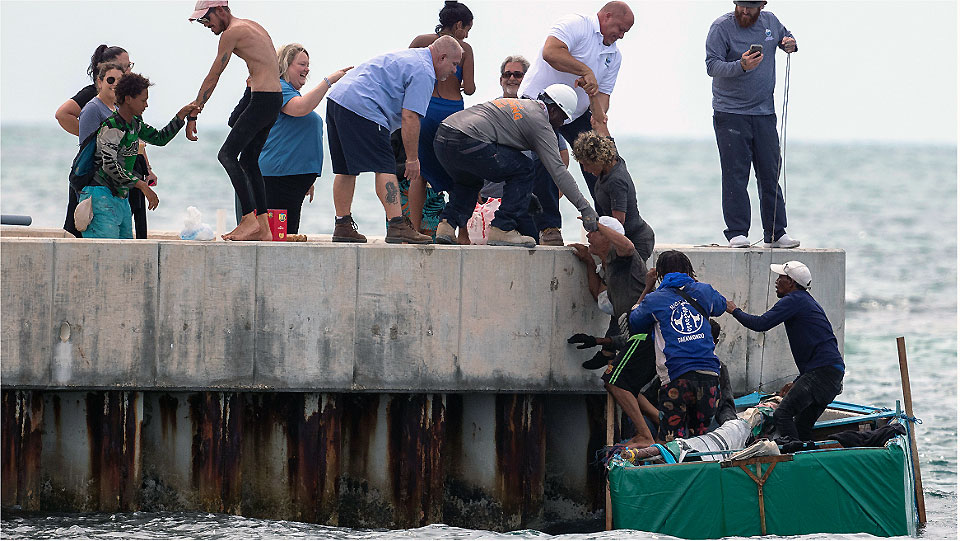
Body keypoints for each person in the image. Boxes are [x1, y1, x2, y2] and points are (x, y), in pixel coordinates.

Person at [324, 36, 463, 244]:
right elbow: (410, 117)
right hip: (365, 106)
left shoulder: (412, 57)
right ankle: (397, 224)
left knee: (345, 169)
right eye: (454, 64)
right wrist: (413, 159)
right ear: (442, 57)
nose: (454, 70)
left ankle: (342, 224)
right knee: (385, 167)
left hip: (338, 99)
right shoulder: (425, 72)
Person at [518, 1, 634, 245]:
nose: (621, 36)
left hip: (576, 112)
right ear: (607, 16)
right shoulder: (576, 24)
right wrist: (585, 71)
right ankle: (549, 228)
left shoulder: (615, 55)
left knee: (604, 160)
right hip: (541, 103)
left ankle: (611, 226)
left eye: (626, 33)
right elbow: (551, 52)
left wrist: (599, 121)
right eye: (620, 28)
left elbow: (603, 97)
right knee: (547, 159)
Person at [433, 84, 599, 248]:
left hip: (443, 137)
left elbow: (504, 159)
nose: (561, 124)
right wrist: (584, 208)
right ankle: (502, 228)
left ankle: (447, 225)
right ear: (553, 109)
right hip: (468, 139)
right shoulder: (540, 123)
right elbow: (558, 171)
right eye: (563, 118)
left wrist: (525, 194)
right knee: (525, 168)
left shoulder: (519, 106)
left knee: (468, 182)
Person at [706, 0, 799, 248]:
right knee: (736, 174)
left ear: (762, 5)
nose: (745, 11)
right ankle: (737, 232)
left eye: (751, 6)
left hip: (764, 112)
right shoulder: (721, 27)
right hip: (730, 112)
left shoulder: (771, 21)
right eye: (741, 5)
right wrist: (741, 65)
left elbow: (785, 36)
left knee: (770, 172)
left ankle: (776, 233)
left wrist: (790, 43)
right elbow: (711, 66)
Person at [188, 0, 283, 241]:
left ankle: (248, 220)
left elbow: (214, 75)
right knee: (249, 161)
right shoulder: (251, 26)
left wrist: (194, 111)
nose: (205, 25)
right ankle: (264, 228)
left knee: (227, 155)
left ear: (220, 10)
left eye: (206, 18)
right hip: (272, 99)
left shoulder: (232, 33)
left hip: (262, 100)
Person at [725, 260, 844, 443]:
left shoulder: (794, 300)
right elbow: (818, 347)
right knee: (802, 425)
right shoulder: (806, 301)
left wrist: (734, 310)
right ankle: (805, 458)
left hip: (821, 372)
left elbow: (761, 324)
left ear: (791, 282)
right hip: (833, 373)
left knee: (782, 414)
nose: (776, 281)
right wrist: (799, 381)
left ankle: (795, 458)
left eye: (781, 277)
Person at [568, 217, 658, 447]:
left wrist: (598, 224)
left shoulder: (627, 259)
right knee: (625, 384)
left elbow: (627, 245)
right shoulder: (606, 268)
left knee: (614, 381)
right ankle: (661, 422)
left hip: (646, 331)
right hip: (636, 333)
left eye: (593, 232)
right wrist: (589, 262)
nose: (588, 235)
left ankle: (645, 435)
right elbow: (599, 294)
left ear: (608, 237)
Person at [80, 73, 197, 238]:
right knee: (106, 255)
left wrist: (180, 116)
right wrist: (142, 185)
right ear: (128, 99)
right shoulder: (112, 127)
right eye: (143, 100)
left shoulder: (135, 125)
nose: (147, 105)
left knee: (125, 253)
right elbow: (110, 166)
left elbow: (160, 138)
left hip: (121, 198)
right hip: (101, 197)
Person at [57, 45, 157, 238]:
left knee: (134, 221)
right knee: (82, 224)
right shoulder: (93, 96)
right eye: (124, 66)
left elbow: (134, 134)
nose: (128, 71)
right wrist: (97, 139)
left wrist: (148, 166)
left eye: (128, 67)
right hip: (101, 172)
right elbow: (62, 114)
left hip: (128, 167)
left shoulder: (124, 98)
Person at [628, 250, 728, 442]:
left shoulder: (655, 299)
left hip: (676, 379)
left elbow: (634, 321)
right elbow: (721, 306)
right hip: (709, 379)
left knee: (670, 440)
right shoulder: (704, 290)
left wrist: (648, 288)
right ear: (689, 271)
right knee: (700, 440)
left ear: (659, 274)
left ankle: (670, 470)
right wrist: (696, 285)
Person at [256, 43, 352, 234]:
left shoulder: (290, 91)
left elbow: (293, 137)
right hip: (277, 178)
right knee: (278, 236)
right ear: (285, 65)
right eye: (301, 64)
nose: (307, 69)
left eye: (308, 65)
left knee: (287, 233)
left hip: (291, 178)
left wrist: (306, 177)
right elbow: (300, 108)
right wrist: (329, 80)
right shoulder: (279, 88)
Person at [405, 1, 475, 234]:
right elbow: (471, 87)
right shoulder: (465, 49)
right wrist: (463, 83)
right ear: (458, 26)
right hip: (452, 111)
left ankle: (413, 230)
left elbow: (407, 72)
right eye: (467, 29)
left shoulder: (421, 42)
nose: (466, 34)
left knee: (419, 174)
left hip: (425, 109)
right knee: (459, 172)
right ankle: (461, 233)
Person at [570, 124, 655, 261]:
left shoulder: (616, 181)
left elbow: (618, 223)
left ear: (597, 159)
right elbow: (601, 125)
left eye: (586, 164)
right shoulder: (613, 159)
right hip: (625, 237)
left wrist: (594, 223)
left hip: (635, 240)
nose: (585, 169)